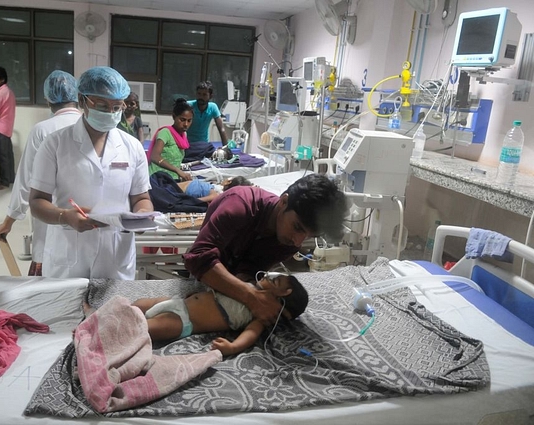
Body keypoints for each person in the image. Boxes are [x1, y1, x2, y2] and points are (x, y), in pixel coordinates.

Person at [29, 66, 153, 280]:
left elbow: (141, 198)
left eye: (116, 107)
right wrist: (65, 217)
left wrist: (142, 216)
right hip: (68, 254)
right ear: (82, 100)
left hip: (115, 254)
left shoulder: (132, 147)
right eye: (102, 105)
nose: (110, 113)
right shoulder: (55, 144)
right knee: (67, 311)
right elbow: (37, 201)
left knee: (114, 311)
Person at [183, 174, 349, 326]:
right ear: (284, 201)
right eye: (297, 227)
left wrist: (259, 296)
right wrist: (250, 296)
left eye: (308, 236)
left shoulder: (288, 242)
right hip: (205, 271)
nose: (297, 241)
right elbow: (198, 257)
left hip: (230, 282)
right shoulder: (239, 205)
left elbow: (251, 268)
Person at [0, 70, 81, 276]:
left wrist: (9, 221)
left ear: (48, 99)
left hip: (50, 218)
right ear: (77, 96)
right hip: (85, 220)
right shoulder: (90, 129)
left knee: (48, 282)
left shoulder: (43, 130)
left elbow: (26, 180)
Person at [131, 273, 308, 356]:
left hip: (184, 321)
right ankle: (110, 318)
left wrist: (233, 347)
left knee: (144, 328)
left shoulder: (261, 316)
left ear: (283, 295)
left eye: (274, 280)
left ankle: (112, 332)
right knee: (138, 305)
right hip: (177, 301)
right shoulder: (246, 287)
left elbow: (251, 334)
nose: (268, 275)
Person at [147, 98, 193, 182]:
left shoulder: (183, 135)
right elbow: (155, 156)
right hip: (157, 179)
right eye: (182, 120)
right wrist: (177, 170)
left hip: (173, 180)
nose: (186, 124)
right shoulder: (165, 133)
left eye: (189, 121)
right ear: (174, 117)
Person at [186, 81, 228, 146]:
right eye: (199, 94)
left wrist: (226, 147)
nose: (201, 97)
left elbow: (221, 129)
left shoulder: (213, 107)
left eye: (204, 95)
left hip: (204, 145)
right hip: (187, 144)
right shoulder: (188, 106)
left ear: (210, 96)